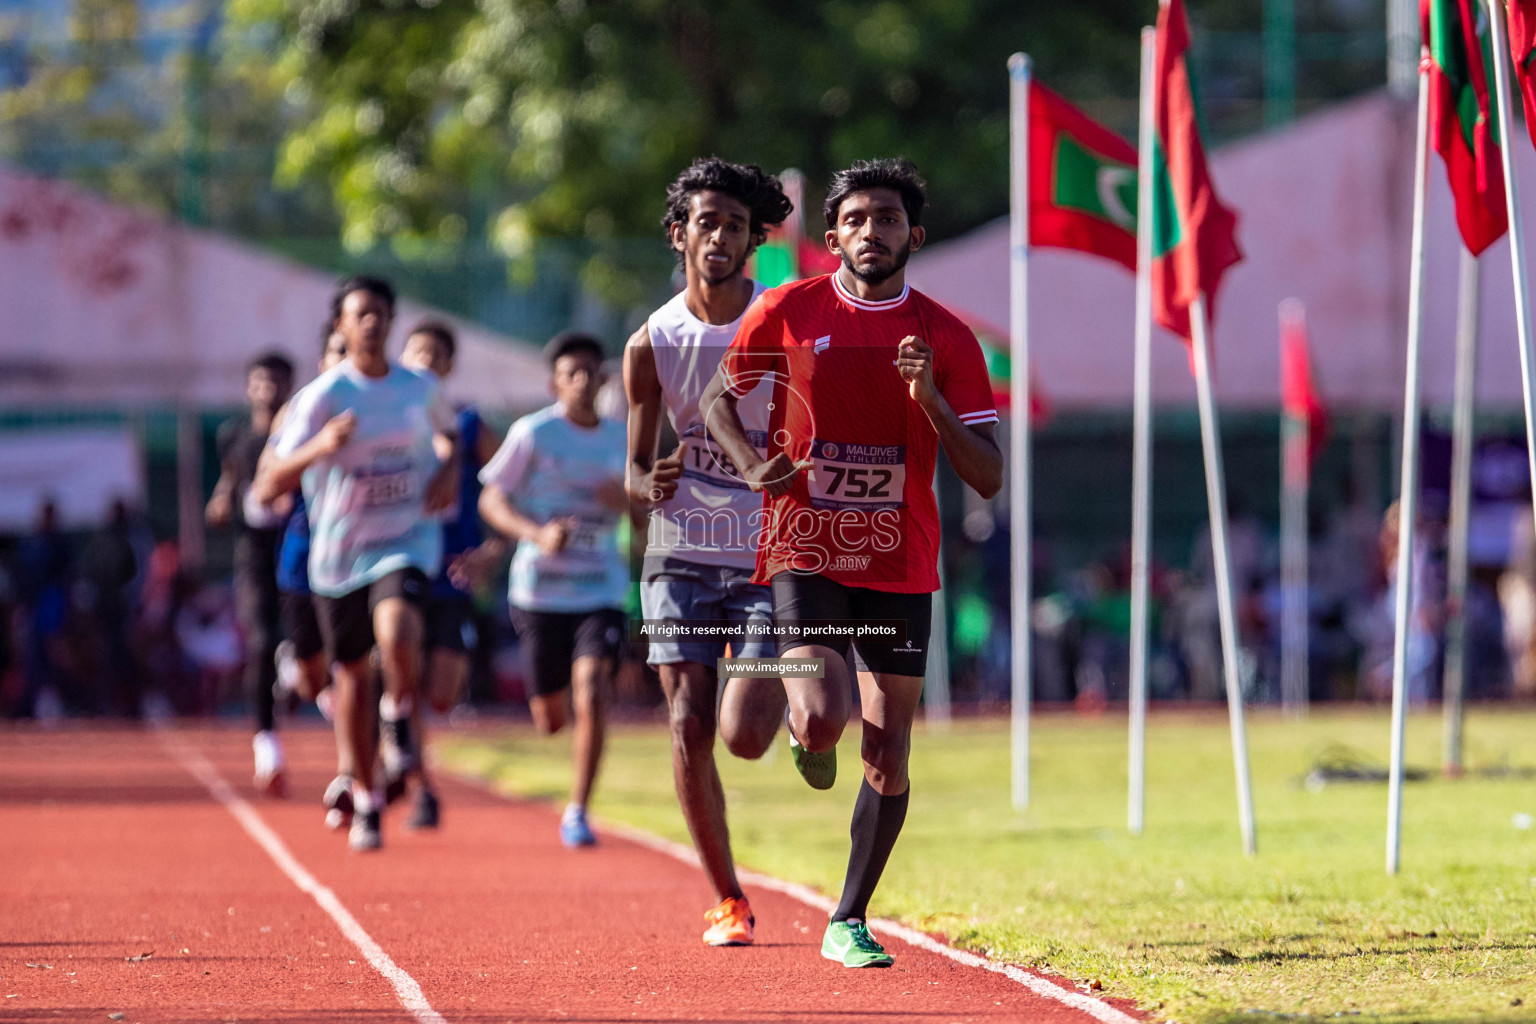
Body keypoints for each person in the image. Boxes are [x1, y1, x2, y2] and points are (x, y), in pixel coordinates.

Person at [699, 159, 1002, 968]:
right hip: (805, 545)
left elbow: (989, 473)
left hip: (902, 560)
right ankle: (794, 703)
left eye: (890, 219)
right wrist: (752, 464)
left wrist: (930, 401)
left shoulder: (946, 336)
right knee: (828, 714)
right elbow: (718, 402)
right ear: (833, 238)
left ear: (915, 236)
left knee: (890, 751)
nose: (875, 231)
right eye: (859, 219)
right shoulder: (787, 310)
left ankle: (848, 918)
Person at [622, 158, 791, 946]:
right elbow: (632, 469)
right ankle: (727, 897)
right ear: (678, 233)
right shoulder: (651, 342)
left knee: (743, 735)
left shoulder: (784, 321)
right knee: (688, 721)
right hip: (681, 549)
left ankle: (798, 705)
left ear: (753, 238)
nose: (718, 235)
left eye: (733, 223)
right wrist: (645, 481)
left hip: (764, 549)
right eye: (705, 221)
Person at [256, 276, 458, 851]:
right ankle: (367, 801)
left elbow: (449, 434)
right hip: (339, 556)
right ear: (341, 325)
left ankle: (398, 715)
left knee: (397, 630)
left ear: (391, 322)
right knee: (349, 680)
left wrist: (445, 467)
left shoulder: (418, 388)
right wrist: (321, 447)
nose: (371, 323)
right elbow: (269, 481)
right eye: (359, 314)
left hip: (405, 540)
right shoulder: (320, 398)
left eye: (380, 314)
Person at [479, 332, 629, 849]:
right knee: (549, 717)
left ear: (604, 379)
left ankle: (579, 809)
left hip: (601, 588)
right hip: (540, 592)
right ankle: (555, 720)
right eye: (573, 373)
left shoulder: (621, 438)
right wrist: (537, 533)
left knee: (592, 688)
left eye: (592, 371)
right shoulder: (532, 434)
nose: (584, 381)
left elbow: (656, 505)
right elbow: (492, 500)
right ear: (555, 383)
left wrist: (629, 501)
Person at [395, 320, 505, 830]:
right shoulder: (389, 417)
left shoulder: (467, 422)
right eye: (419, 351)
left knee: (441, 690)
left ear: (450, 366)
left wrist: (494, 547)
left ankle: (392, 727)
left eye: (438, 354)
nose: (428, 361)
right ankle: (420, 785)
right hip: (398, 562)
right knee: (406, 676)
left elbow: (511, 483)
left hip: (455, 569)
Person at [207, 352, 294, 795]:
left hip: (300, 551)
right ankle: (267, 743)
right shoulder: (235, 435)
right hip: (254, 556)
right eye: (260, 380)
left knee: (302, 648)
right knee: (260, 641)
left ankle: (295, 672)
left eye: (277, 380)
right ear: (249, 387)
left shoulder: (303, 432)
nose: (269, 388)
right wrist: (221, 500)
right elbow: (228, 481)